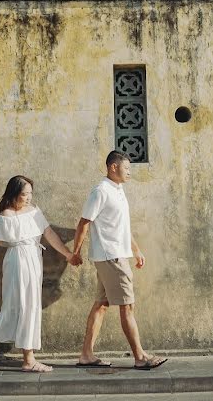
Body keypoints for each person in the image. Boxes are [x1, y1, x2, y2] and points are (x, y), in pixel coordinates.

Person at [0, 175, 77, 373]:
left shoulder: (34, 212)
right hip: (17, 262)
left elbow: (49, 234)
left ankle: (4, 351)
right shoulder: (4, 217)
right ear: (14, 194)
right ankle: (10, 353)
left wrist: (68, 254)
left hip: (34, 259)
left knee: (30, 306)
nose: (28, 198)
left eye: (30, 194)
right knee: (17, 306)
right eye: (24, 194)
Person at [71, 151, 168, 370]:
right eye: (127, 169)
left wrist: (136, 250)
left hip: (115, 254)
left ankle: (86, 355)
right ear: (113, 167)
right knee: (127, 306)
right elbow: (84, 223)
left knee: (102, 305)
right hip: (111, 257)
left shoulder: (119, 190)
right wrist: (75, 252)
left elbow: (121, 226)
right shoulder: (100, 191)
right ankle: (140, 357)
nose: (130, 173)